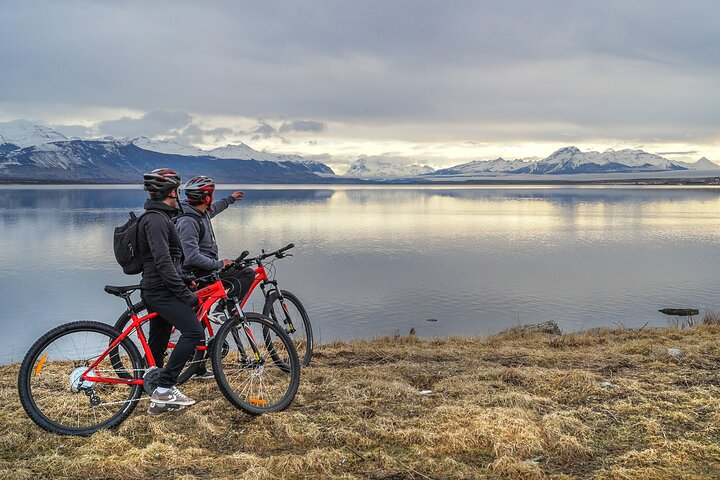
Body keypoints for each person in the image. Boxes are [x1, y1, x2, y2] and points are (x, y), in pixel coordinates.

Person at [175, 176, 254, 379]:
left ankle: (197, 369)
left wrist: (231, 199)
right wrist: (220, 264)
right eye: (212, 194)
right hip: (197, 274)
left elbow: (215, 209)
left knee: (197, 321)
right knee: (245, 274)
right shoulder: (188, 221)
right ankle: (221, 311)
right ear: (205, 196)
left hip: (202, 271)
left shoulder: (201, 212)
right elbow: (191, 256)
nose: (213, 198)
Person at [138, 168, 203, 414]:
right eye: (176, 190)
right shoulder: (155, 219)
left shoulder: (161, 217)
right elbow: (163, 263)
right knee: (193, 331)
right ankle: (165, 388)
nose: (179, 195)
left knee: (159, 342)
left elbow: (170, 262)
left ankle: (157, 399)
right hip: (160, 291)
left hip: (159, 289)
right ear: (171, 191)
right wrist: (186, 295)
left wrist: (186, 279)